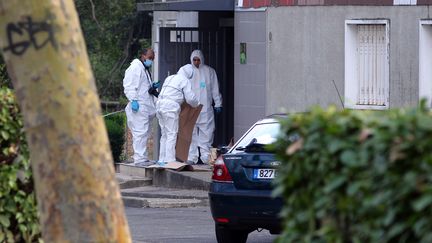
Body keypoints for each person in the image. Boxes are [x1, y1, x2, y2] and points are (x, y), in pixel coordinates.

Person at [156, 65, 200, 165]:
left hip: (159, 105)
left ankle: (161, 159)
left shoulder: (170, 77)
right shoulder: (185, 80)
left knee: (164, 134)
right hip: (170, 107)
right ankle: (170, 160)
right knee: (171, 134)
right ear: (189, 74)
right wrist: (197, 104)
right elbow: (190, 98)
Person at [123, 48, 160, 167]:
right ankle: (139, 159)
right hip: (138, 106)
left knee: (145, 132)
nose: (151, 60)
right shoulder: (135, 67)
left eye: (152, 58)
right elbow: (129, 85)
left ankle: (142, 157)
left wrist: (152, 87)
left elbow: (143, 88)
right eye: (150, 58)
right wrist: (133, 100)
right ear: (143, 56)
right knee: (140, 132)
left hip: (144, 106)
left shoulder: (144, 69)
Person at [185, 50, 223, 165]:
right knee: (191, 133)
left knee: (207, 133)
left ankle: (206, 157)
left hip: (206, 109)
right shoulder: (187, 71)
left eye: (198, 60)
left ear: (202, 60)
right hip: (191, 108)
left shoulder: (209, 71)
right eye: (194, 60)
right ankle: (191, 156)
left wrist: (218, 103)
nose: (196, 62)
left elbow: (215, 89)